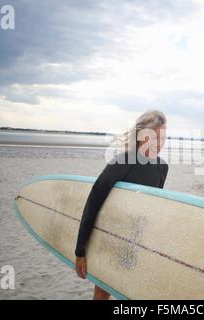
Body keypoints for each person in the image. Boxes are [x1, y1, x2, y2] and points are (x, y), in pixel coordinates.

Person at [74, 110, 168, 300]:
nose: (160, 143)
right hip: (111, 239)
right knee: (102, 293)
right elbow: (93, 204)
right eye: (154, 137)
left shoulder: (162, 167)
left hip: (137, 243)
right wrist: (80, 251)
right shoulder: (121, 162)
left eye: (163, 138)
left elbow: (152, 208)